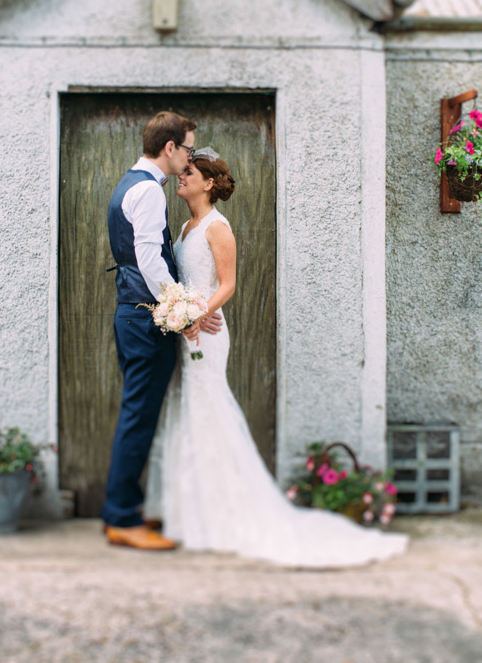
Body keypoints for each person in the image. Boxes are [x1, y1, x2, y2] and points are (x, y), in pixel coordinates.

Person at [144, 148, 409, 567]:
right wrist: (180, 316)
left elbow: (228, 284)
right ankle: (194, 514)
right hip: (186, 328)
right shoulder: (184, 225)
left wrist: (197, 315)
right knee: (187, 412)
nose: (181, 177)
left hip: (206, 332)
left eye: (189, 172)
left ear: (208, 183)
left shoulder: (217, 227)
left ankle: (227, 512)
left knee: (208, 408)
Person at [102, 111, 221, 551]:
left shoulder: (128, 184)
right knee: (138, 417)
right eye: (189, 148)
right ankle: (121, 517)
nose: (190, 156)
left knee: (137, 414)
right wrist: (186, 311)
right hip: (144, 318)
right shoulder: (149, 191)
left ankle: (124, 510)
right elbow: (150, 262)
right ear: (170, 148)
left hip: (132, 315)